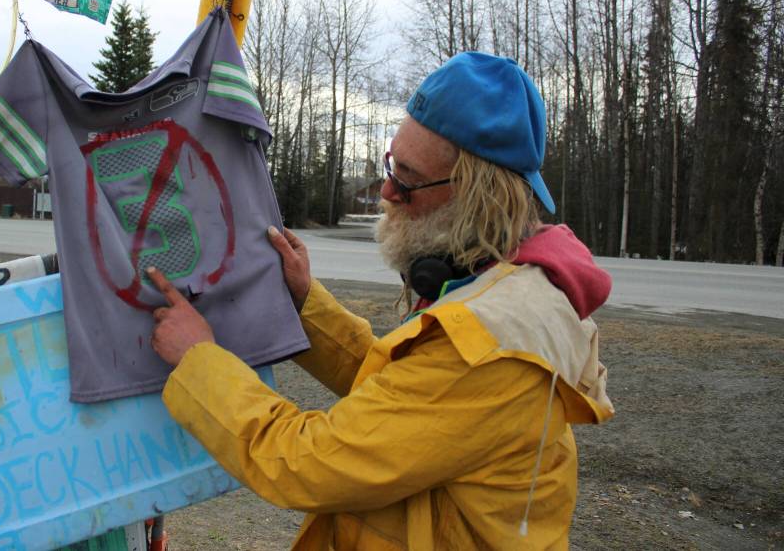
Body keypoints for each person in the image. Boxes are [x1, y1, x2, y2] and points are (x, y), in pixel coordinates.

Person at [148, 51, 614, 550]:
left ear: (481, 196)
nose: (388, 191)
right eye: (392, 166)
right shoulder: (501, 282)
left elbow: (307, 463)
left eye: (409, 179)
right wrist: (304, 301)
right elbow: (399, 393)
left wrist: (199, 360)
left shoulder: (489, 347)